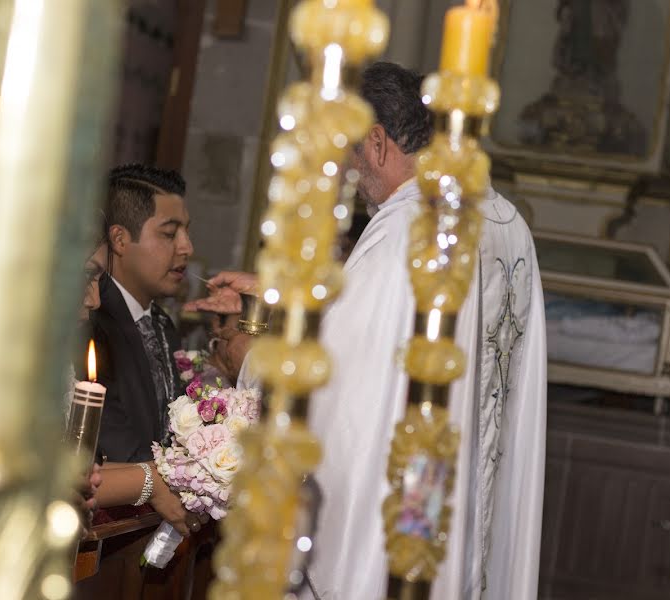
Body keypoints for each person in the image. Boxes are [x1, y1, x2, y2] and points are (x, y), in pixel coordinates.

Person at [188, 62, 547, 599]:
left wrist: (251, 357)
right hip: (463, 516)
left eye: (351, 156)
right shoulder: (504, 223)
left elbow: (346, 393)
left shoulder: (410, 224)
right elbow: (397, 332)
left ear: (377, 142)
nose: (351, 180)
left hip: (397, 525)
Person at [78, 164, 201, 536]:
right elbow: (109, 439)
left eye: (187, 232)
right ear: (118, 239)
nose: (187, 248)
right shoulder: (87, 322)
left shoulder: (163, 324)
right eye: (169, 233)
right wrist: (161, 480)